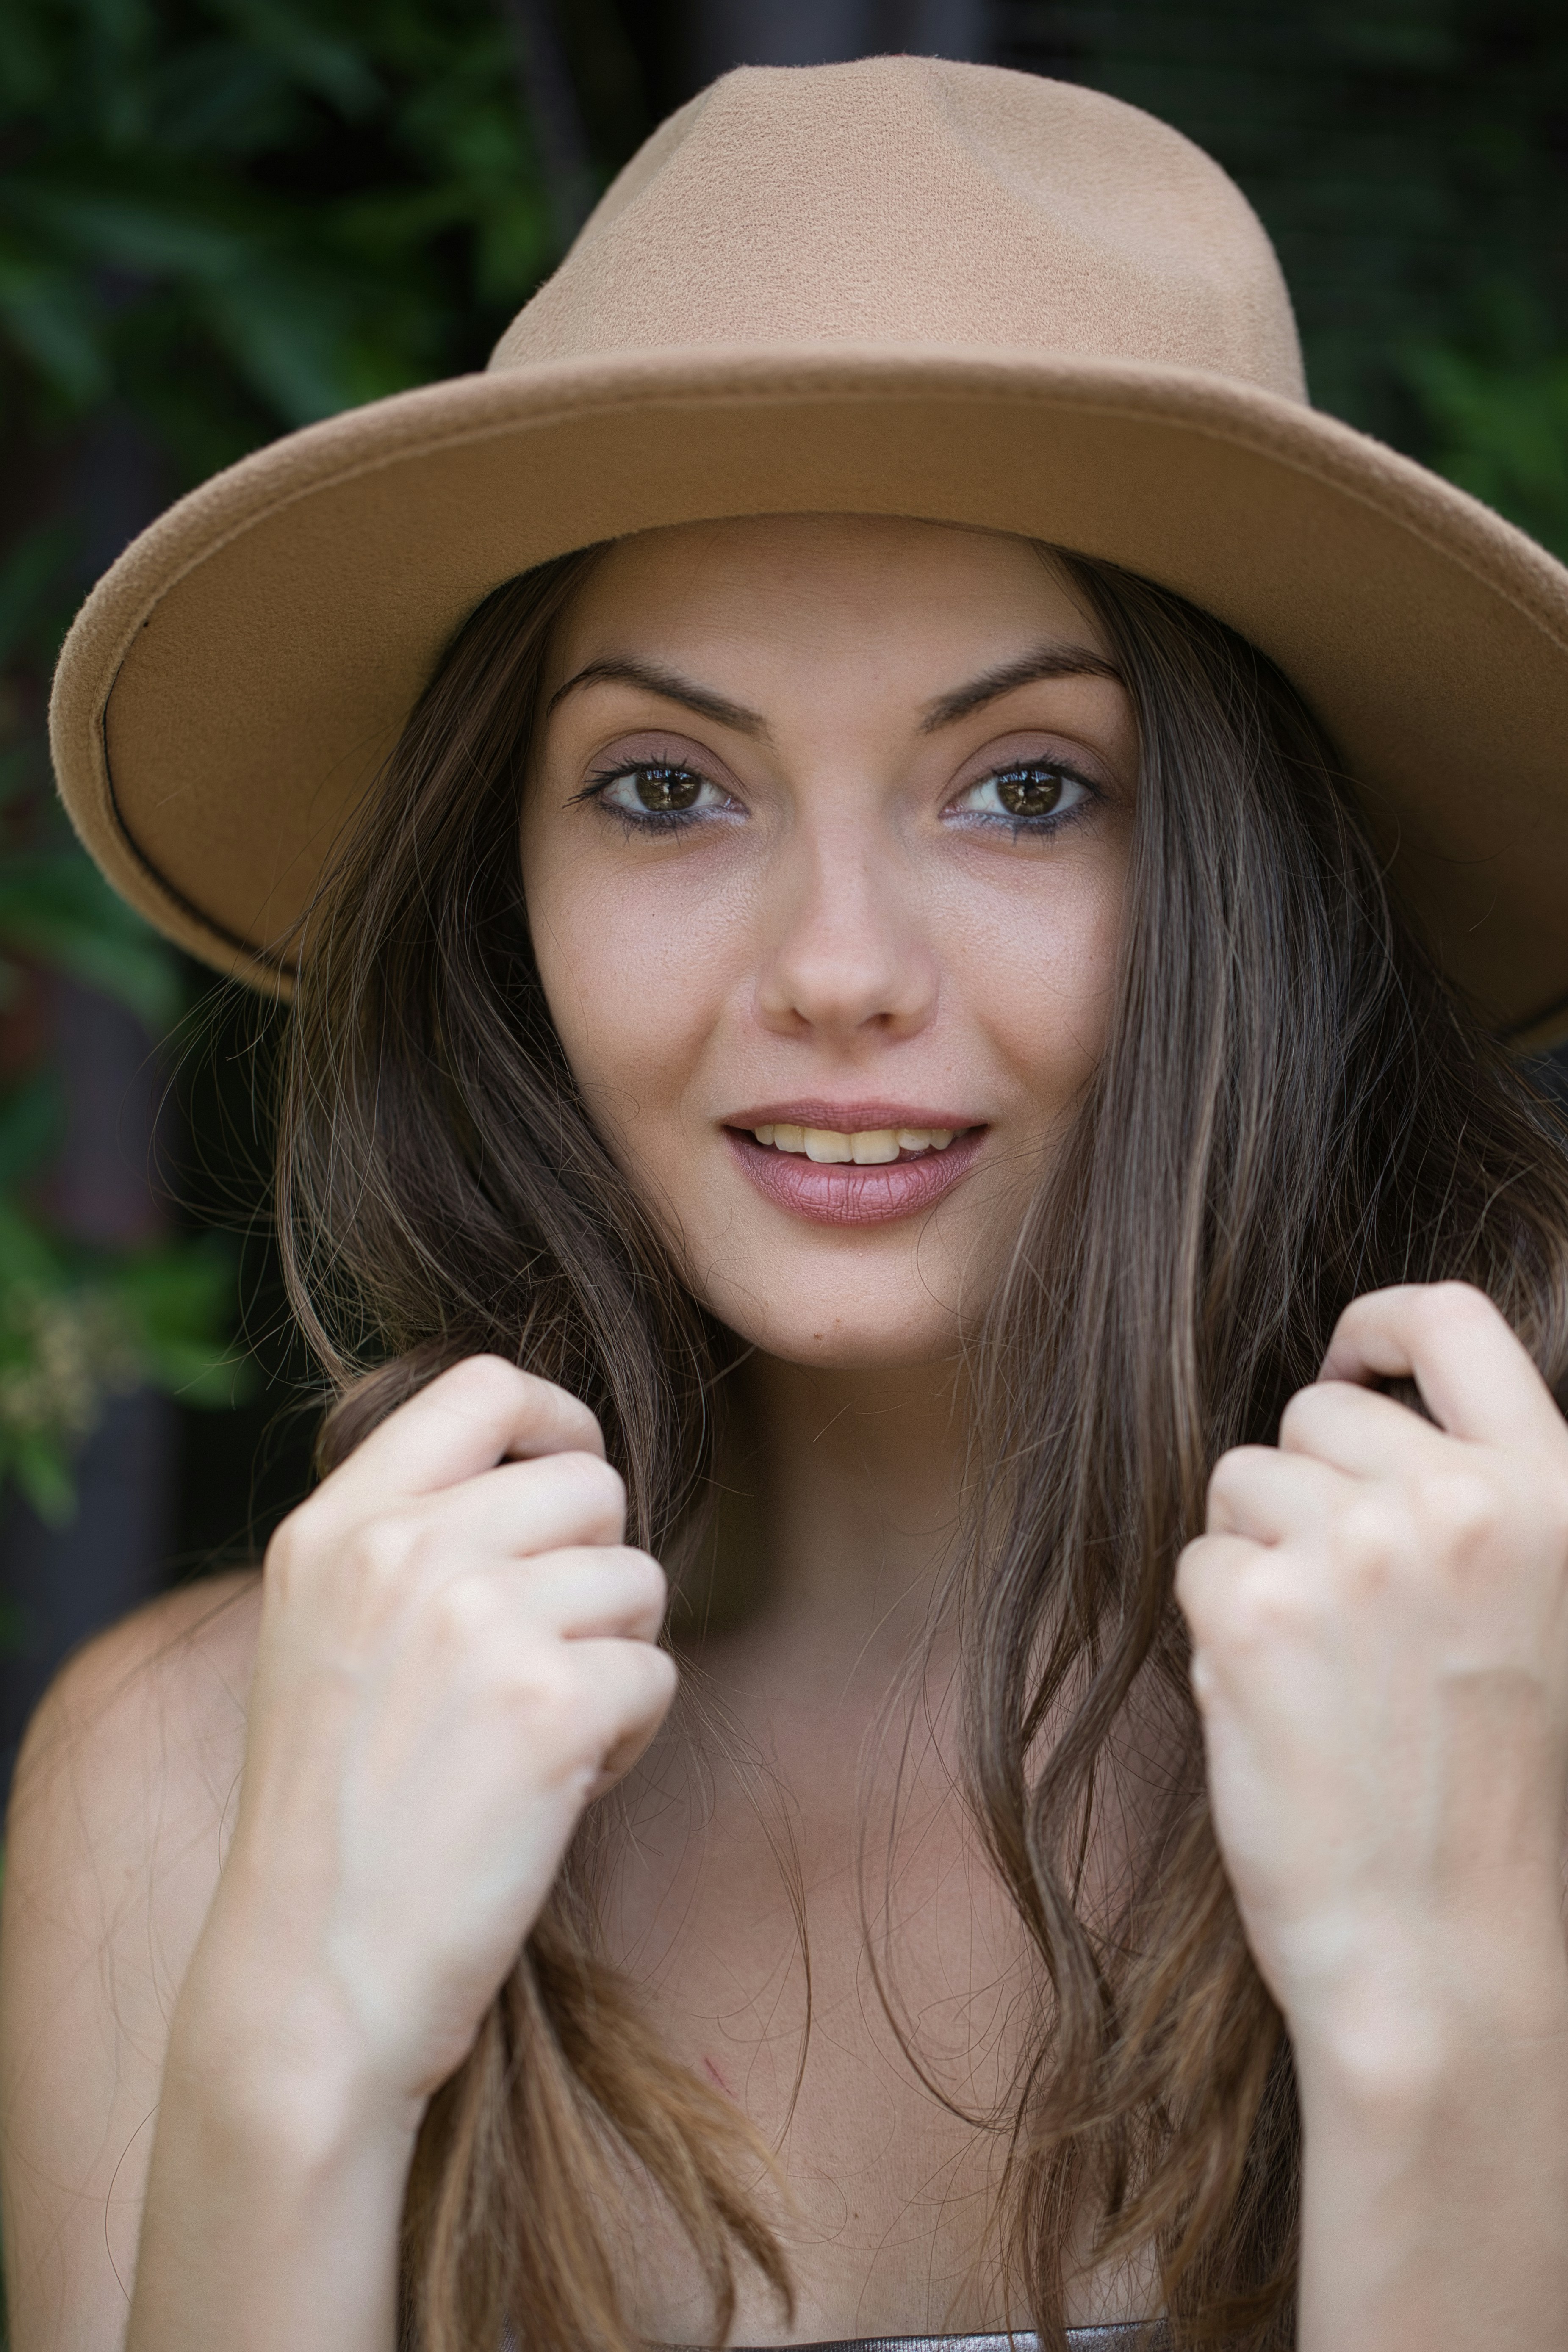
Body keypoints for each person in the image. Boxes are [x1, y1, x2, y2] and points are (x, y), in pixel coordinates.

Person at [6, 53, 1568, 2352]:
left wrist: (1446, 2024)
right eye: (665, 785)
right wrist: (293, 2063)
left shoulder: (1519, 1717)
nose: (834, 970)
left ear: (1243, 883)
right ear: (500, 890)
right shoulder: (185, 1788)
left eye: (1025, 787)